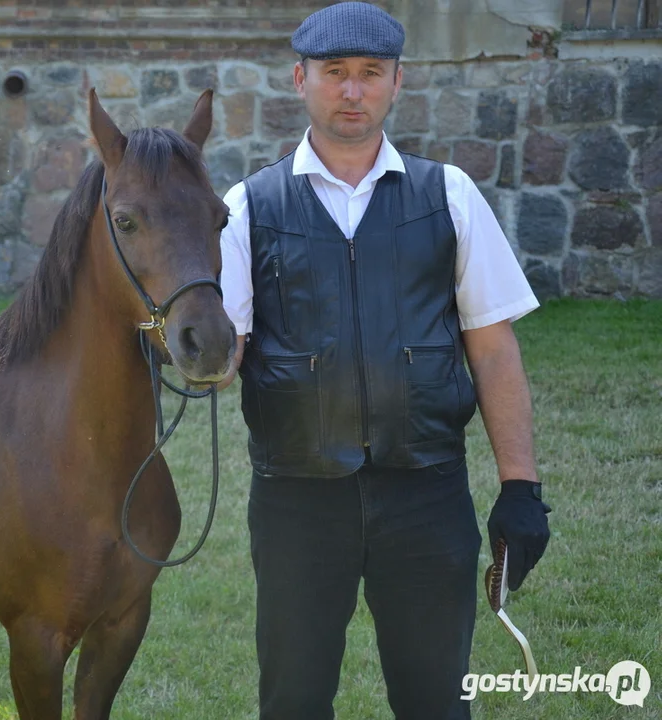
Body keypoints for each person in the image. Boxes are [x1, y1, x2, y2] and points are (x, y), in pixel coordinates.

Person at [214, 3, 553, 718]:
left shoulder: (447, 196)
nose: (351, 91)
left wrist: (520, 488)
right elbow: (220, 355)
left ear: (399, 82)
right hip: (297, 500)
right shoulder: (248, 208)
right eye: (334, 73)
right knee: (294, 702)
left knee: (435, 703)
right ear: (299, 79)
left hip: (426, 494)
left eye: (370, 74)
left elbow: (492, 352)